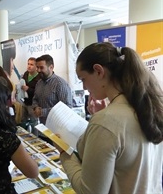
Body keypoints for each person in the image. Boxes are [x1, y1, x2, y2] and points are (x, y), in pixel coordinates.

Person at [57, 42, 163, 194]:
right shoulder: (152, 109)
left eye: (83, 79)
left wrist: (65, 154)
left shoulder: (106, 121)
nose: (85, 87)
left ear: (99, 71)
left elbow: (89, 191)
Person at [32, 54, 72, 124]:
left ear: (51, 67)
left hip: (57, 130)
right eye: (37, 67)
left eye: (41, 68)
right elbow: (35, 99)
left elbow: (66, 108)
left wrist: (42, 112)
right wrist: (35, 107)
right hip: (42, 128)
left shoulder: (60, 84)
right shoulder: (39, 83)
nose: (38, 70)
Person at [21, 57, 41, 124]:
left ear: (36, 66)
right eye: (28, 64)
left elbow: (39, 92)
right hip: (25, 101)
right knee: (23, 121)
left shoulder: (39, 77)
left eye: (31, 65)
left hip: (33, 104)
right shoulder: (26, 74)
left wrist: (28, 89)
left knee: (34, 123)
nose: (29, 66)